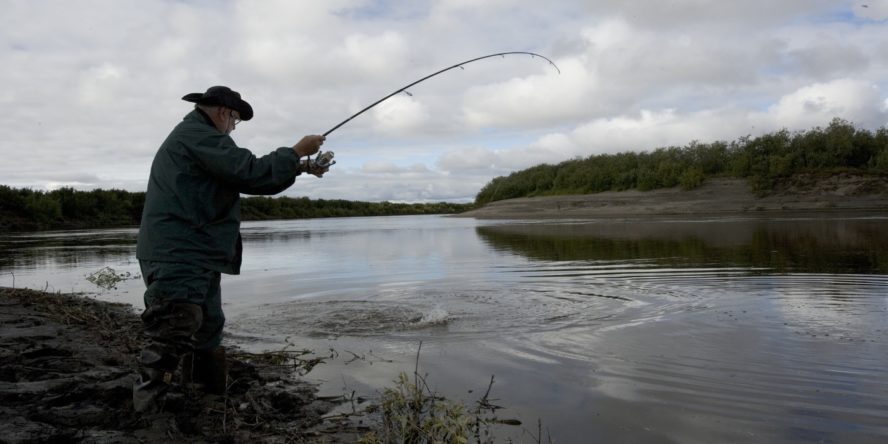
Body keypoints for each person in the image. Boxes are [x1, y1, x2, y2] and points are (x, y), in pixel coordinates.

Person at [133, 85, 329, 412]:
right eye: (236, 120)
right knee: (174, 327)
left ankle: (206, 398)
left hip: (197, 253)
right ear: (224, 112)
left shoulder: (200, 138)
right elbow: (250, 172)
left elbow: (242, 174)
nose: (234, 127)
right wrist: (296, 151)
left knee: (208, 327)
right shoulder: (197, 136)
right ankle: (148, 413)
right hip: (179, 252)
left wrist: (302, 166)